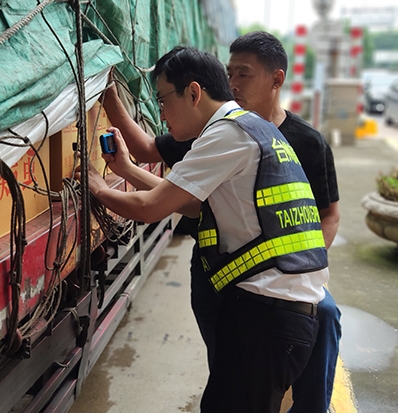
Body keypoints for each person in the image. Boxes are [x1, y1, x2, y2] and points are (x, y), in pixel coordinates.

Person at [77, 46, 329, 412]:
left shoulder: (227, 135)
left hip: (266, 315)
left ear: (193, 92)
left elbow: (150, 208)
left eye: (163, 101)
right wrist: (128, 171)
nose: (161, 114)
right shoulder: (249, 127)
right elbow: (193, 204)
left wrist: (97, 188)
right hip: (276, 313)